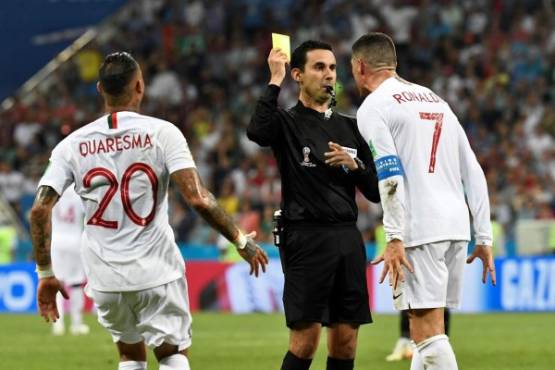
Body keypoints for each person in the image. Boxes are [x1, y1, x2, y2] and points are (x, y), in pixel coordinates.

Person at [30, 51, 269, 370]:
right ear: (140, 87)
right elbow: (198, 198)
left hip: (105, 277)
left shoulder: (70, 146)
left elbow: (39, 210)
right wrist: (241, 240)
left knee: (129, 356)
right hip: (156, 271)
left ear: (100, 89)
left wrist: (45, 274)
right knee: (171, 354)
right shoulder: (163, 133)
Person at [351, 32, 496, 370]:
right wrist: (484, 237)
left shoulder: (374, 106)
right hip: (456, 228)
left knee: (427, 335)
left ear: (360, 67)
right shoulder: (435, 99)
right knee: (428, 334)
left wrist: (395, 236)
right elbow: (473, 170)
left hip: (420, 228)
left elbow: (389, 174)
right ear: (394, 64)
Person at [247, 40, 380, 370]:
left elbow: (377, 191)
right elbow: (257, 131)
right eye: (319, 67)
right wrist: (274, 79)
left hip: (348, 239)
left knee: (346, 342)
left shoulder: (352, 126)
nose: (328, 75)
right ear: (298, 74)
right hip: (306, 238)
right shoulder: (287, 123)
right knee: (305, 343)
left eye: (333, 68)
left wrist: (356, 167)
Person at [50, 185, 89, 336]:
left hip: (57, 240)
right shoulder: (78, 190)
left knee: (57, 282)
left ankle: (57, 325)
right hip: (74, 240)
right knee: (76, 283)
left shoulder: (53, 188)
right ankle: (76, 324)